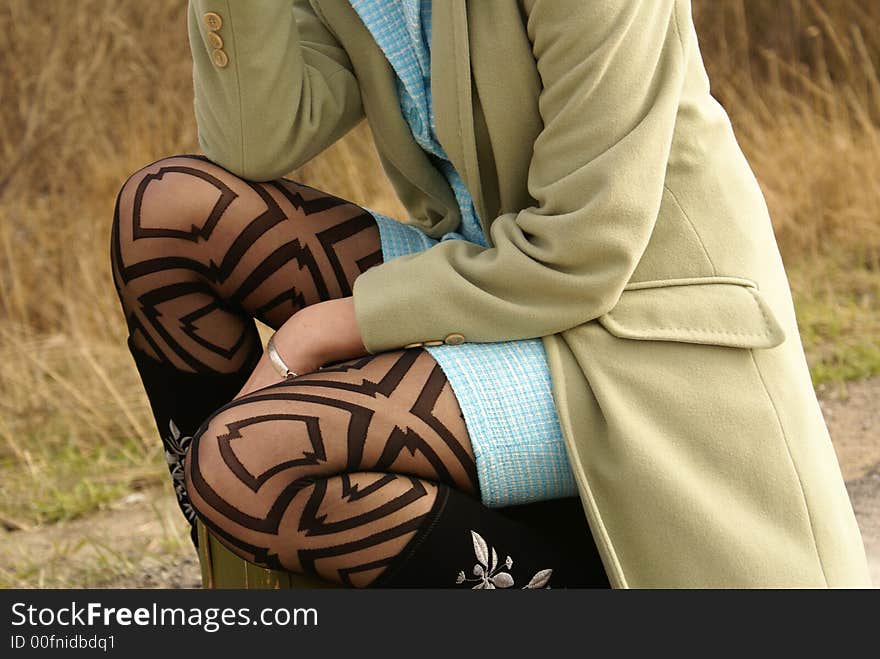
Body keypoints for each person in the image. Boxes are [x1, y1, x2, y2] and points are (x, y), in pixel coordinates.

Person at [110, 0, 871, 589]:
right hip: (489, 275)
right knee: (167, 214)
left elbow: (582, 250)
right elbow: (256, 140)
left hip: (633, 327)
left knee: (252, 459)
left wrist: (320, 330)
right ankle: (248, 598)